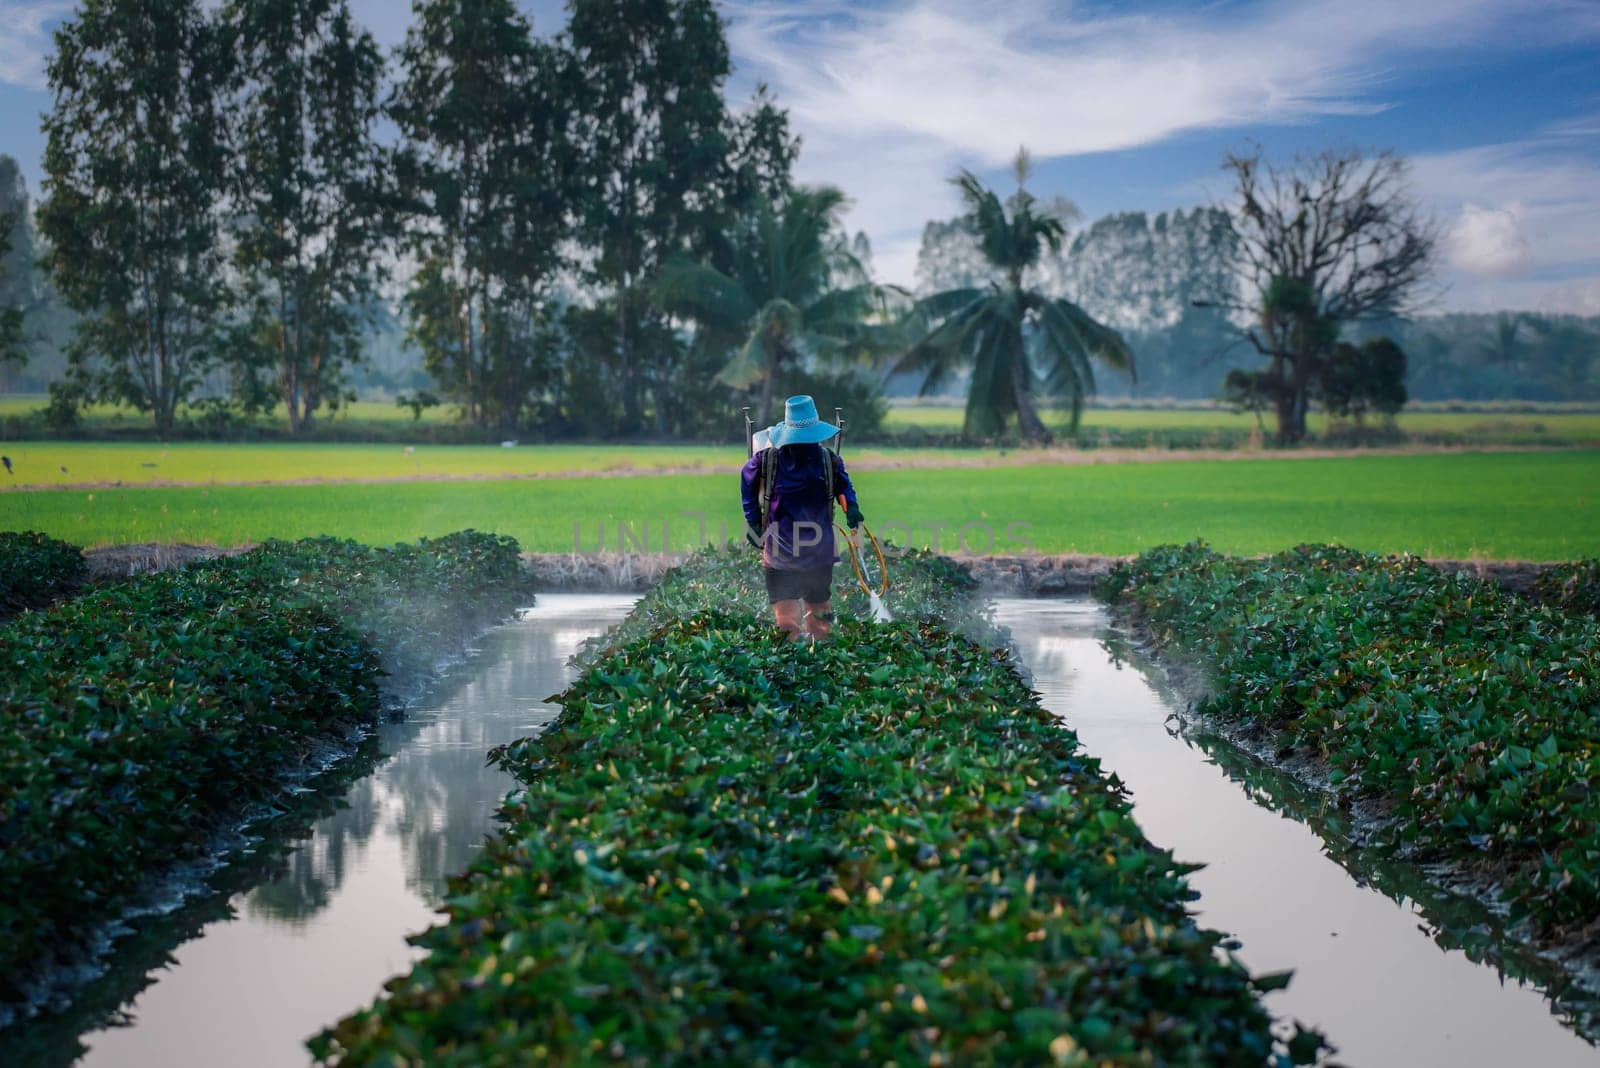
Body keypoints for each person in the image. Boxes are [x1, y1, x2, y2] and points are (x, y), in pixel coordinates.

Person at [741, 395, 864, 642]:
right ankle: (792, 666)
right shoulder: (767, 461)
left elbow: (844, 485)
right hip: (780, 553)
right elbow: (747, 484)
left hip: (817, 555)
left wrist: (851, 508)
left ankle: (820, 660)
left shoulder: (828, 461)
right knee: (787, 622)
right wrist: (753, 520)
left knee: (820, 619)